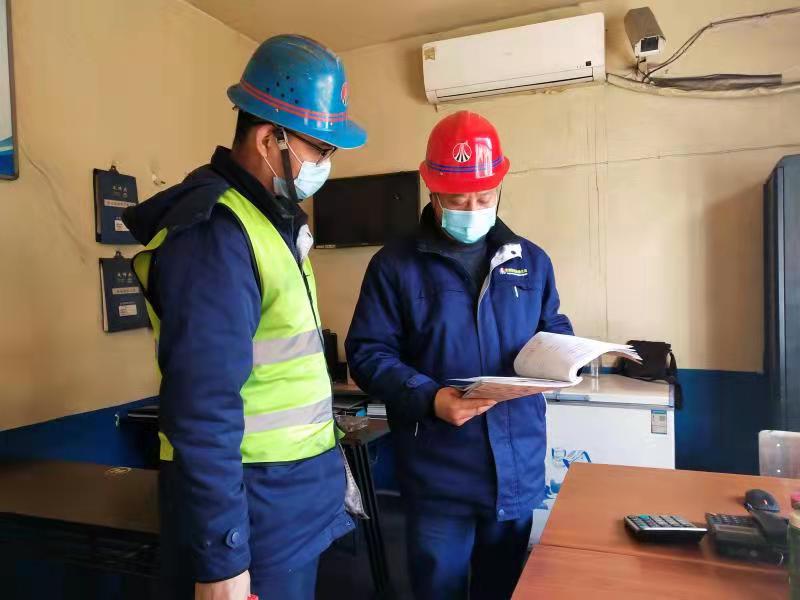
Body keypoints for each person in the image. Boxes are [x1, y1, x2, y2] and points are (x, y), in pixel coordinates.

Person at [122, 35, 366, 600]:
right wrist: (222, 561)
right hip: (252, 518)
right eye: (320, 149)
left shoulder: (271, 224)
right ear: (267, 138)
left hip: (286, 507)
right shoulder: (216, 236)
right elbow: (202, 410)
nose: (326, 164)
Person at [345, 110, 573, 600]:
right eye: (457, 199)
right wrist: (429, 397)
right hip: (438, 474)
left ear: (499, 188)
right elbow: (366, 352)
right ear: (432, 191)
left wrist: (565, 354)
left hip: (515, 468)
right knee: (438, 588)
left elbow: (551, 325)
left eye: (484, 197)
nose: (472, 208)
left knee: (503, 588)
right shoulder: (394, 266)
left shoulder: (531, 261)